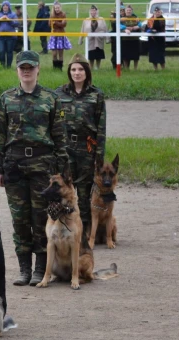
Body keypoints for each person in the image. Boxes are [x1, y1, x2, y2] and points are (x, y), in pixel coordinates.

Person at [0, 50, 68, 287]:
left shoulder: (50, 98)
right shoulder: (6, 98)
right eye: (22, 67)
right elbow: (0, 136)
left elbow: (59, 136)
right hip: (14, 164)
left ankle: (40, 268)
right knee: (19, 220)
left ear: (38, 69)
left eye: (31, 67)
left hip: (42, 165)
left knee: (41, 217)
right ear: (17, 70)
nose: (26, 71)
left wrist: (63, 173)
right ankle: (23, 268)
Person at [55, 53, 106, 242]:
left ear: (87, 72)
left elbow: (101, 129)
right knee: (64, 191)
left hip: (87, 149)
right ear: (69, 72)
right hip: (65, 148)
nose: (77, 73)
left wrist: (99, 160)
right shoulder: (59, 94)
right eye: (74, 69)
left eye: (81, 69)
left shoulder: (96, 95)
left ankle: (84, 235)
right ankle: (64, 229)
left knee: (84, 194)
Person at [79, 5, 107, 69]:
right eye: (92, 11)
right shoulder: (86, 20)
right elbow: (82, 30)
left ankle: (98, 67)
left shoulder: (101, 19)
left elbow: (105, 29)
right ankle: (91, 67)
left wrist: (107, 39)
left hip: (99, 40)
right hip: (90, 40)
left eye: (94, 11)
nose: (93, 12)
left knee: (98, 54)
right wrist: (80, 40)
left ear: (97, 11)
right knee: (91, 55)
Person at [0, 1, 18, 68]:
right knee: (1, 52)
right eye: (4, 5)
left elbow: (16, 23)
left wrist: (9, 20)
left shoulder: (13, 14)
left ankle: (9, 66)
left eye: (7, 5)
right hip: (1, 37)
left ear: (9, 7)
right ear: (2, 7)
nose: (5, 7)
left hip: (10, 36)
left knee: (9, 52)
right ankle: (2, 65)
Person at [48, 1, 72, 71]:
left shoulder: (63, 15)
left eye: (58, 8)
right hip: (54, 35)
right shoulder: (52, 15)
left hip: (61, 35)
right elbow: (49, 24)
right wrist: (58, 23)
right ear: (54, 8)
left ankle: (60, 68)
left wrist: (56, 23)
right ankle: (55, 67)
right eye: (56, 8)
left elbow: (64, 24)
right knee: (54, 53)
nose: (57, 9)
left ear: (60, 8)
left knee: (60, 53)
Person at [120, 5, 141, 70]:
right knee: (125, 55)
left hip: (135, 39)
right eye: (127, 10)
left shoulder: (135, 17)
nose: (128, 11)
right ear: (125, 11)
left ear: (132, 11)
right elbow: (118, 25)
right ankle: (126, 68)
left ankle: (135, 68)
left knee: (135, 55)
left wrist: (137, 27)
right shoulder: (122, 18)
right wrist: (125, 29)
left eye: (130, 10)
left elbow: (140, 24)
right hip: (125, 39)